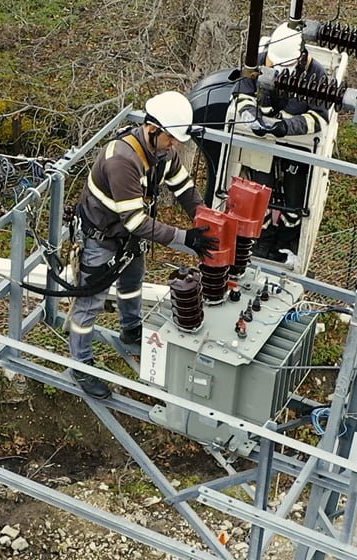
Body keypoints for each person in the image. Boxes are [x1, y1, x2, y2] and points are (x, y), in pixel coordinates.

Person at [68, 91, 219, 399]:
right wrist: (185, 239)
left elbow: (185, 190)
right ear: (152, 129)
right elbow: (135, 221)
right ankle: (80, 366)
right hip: (102, 237)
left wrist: (205, 221)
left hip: (127, 236)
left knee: (132, 281)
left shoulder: (162, 155)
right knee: (90, 303)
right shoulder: (122, 161)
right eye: (171, 138)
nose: (175, 144)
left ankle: (131, 328)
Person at [227, 22, 331, 263]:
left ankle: (285, 242)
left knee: (294, 199)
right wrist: (251, 118)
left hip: (296, 146)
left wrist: (285, 127)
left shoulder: (316, 76)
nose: (274, 70)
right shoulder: (262, 60)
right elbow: (243, 93)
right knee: (261, 191)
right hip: (262, 143)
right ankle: (262, 241)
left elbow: (318, 118)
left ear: (299, 57)